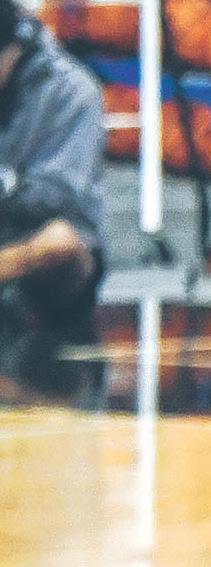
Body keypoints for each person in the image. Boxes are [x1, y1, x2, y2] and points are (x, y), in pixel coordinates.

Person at [0, 0, 103, 342]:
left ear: (13, 49)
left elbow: (58, 199)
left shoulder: (71, 90)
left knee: (60, 242)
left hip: (30, 242)